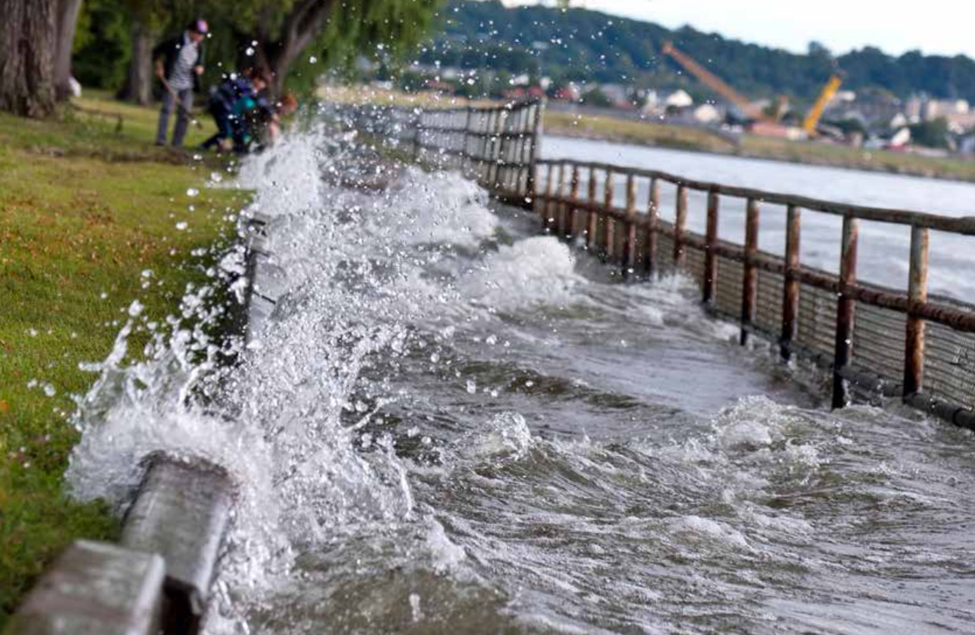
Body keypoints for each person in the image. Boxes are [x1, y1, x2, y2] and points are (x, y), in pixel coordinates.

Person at [153, 20, 208, 147]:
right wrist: (159, 66)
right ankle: (161, 139)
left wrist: (200, 68)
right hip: (171, 82)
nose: (201, 37)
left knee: (184, 114)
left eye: (203, 34)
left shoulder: (200, 47)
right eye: (199, 33)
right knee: (167, 110)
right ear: (191, 31)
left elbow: (200, 63)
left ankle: (177, 143)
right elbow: (156, 51)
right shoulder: (176, 41)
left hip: (188, 84)